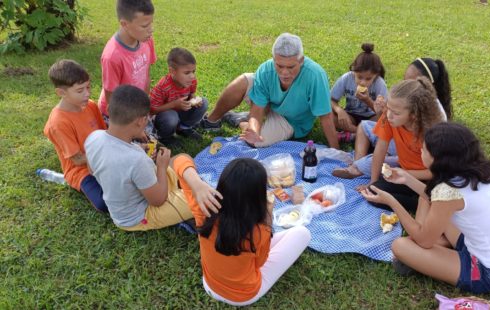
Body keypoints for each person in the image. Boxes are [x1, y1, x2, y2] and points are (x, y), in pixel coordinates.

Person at [361, 122, 490, 294]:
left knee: (400, 246)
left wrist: (391, 201)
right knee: (427, 199)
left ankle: (422, 256)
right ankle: (434, 250)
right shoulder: (477, 171)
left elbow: (424, 241)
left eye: (424, 150)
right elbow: (432, 198)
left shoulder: (447, 190)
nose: (420, 152)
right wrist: (407, 179)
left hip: (488, 272)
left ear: (438, 159)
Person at [174, 157, 311, 306]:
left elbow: (179, 160)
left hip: (210, 285)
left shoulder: (205, 210)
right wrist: (268, 217)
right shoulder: (259, 230)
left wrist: (197, 184)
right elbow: (260, 263)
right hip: (244, 295)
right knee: (303, 233)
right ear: (258, 197)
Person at [85, 85, 217, 231]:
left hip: (137, 194)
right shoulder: (136, 160)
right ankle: (187, 197)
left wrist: (139, 151)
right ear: (142, 121)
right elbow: (158, 201)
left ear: (109, 110)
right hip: (140, 215)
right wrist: (161, 166)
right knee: (203, 200)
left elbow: (92, 170)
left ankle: (187, 190)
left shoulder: (93, 138)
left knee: (182, 158)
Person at [200, 33, 339, 149]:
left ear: (301, 60)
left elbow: (325, 117)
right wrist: (254, 130)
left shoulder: (315, 75)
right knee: (244, 80)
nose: (284, 72)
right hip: (268, 105)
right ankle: (211, 121)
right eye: (279, 66)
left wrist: (336, 151)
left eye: (291, 67)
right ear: (273, 60)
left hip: (291, 121)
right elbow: (258, 107)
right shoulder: (266, 69)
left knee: (257, 142)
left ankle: (241, 121)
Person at [337, 77, 445, 212]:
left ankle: (424, 203)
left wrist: (405, 174)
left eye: (396, 113)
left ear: (414, 115)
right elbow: (380, 149)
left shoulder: (431, 132)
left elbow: (435, 173)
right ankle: (417, 202)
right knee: (373, 192)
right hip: (404, 174)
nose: (389, 115)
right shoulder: (389, 119)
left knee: (431, 199)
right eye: (388, 109)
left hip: (429, 180)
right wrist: (373, 181)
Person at [334, 57, 452, 179]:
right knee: (364, 126)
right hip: (399, 145)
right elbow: (387, 129)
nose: (405, 85)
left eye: (410, 82)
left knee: (378, 164)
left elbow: (435, 168)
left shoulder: (432, 121)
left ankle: (359, 167)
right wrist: (381, 110)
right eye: (404, 80)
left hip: (411, 159)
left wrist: (403, 171)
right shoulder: (399, 103)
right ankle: (357, 164)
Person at [43, 59, 108, 213]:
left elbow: (104, 134)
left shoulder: (90, 105)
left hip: (103, 159)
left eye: (88, 87)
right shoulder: (57, 123)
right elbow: (78, 160)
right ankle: (72, 182)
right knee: (104, 203)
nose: (87, 93)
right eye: (80, 90)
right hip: (80, 171)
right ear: (61, 93)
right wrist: (108, 156)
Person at [98, 0, 156, 120]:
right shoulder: (112, 56)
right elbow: (111, 96)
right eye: (145, 26)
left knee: (151, 136)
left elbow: (146, 75)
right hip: (118, 113)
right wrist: (130, 121)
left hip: (137, 107)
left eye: (151, 23)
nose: (151, 29)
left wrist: (143, 108)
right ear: (124, 24)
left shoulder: (147, 40)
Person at [330, 43, 388, 142]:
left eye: (368, 79)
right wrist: (339, 110)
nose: (363, 82)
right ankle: (362, 134)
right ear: (354, 71)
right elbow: (331, 99)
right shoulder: (347, 78)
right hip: (351, 116)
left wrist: (367, 100)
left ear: (376, 75)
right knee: (329, 115)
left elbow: (384, 112)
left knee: (384, 120)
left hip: (371, 117)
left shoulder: (379, 83)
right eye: (359, 77)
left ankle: (353, 135)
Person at [149, 48, 207, 145]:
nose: (192, 76)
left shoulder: (191, 81)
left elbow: (191, 94)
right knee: (171, 117)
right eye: (187, 72)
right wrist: (174, 105)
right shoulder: (163, 86)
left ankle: (184, 128)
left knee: (204, 103)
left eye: (193, 71)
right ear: (172, 71)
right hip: (164, 117)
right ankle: (164, 137)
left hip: (181, 111)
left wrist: (193, 99)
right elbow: (152, 110)